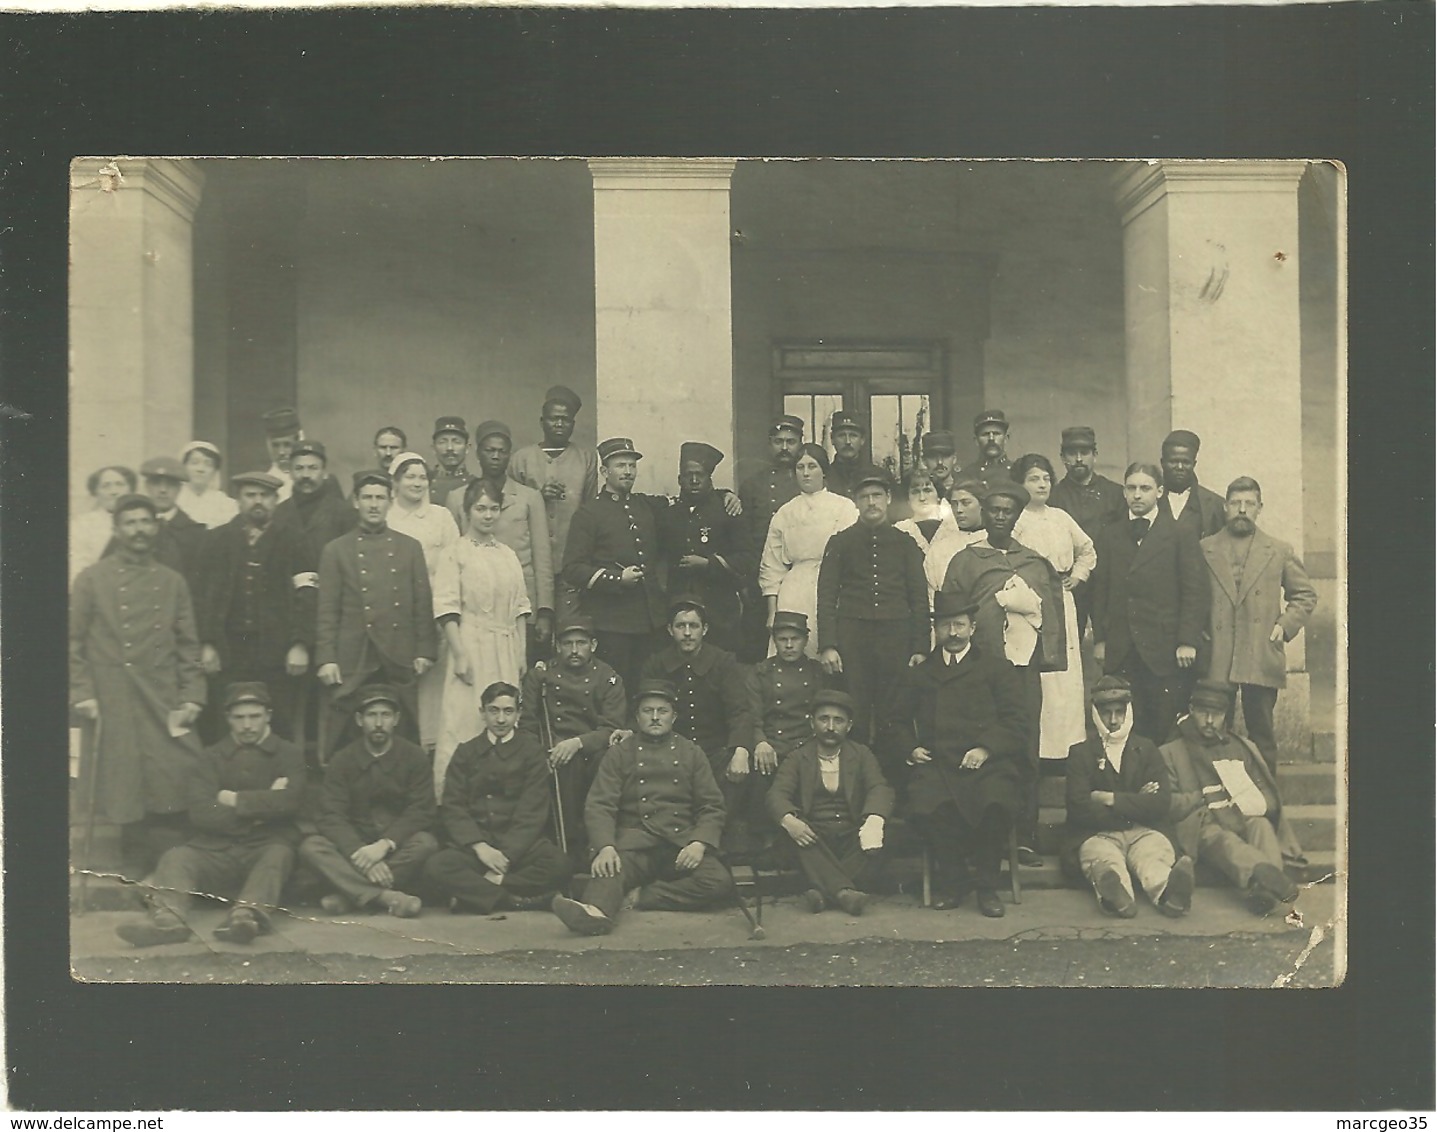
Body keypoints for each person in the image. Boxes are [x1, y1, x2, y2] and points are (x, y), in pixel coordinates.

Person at [70, 493, 206, 879]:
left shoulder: (172, 580)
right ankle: (133, 862)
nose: (139, 530)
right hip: (114, 694)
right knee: (125, 773)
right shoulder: (92, 579)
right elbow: (72, 642)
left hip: (162, 691)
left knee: (175, 766)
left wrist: (193, 694)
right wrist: (82, 693)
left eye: (145, 522)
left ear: (156, 527)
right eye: (129, 523)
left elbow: (188, 643)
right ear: (116, 529)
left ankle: (171, 861)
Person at [115, 682, 306, 947]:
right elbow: (201, 813)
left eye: (255, 717)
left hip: (264, 846)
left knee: (279, 854)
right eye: (239, 718)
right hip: (214, 850)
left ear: (268, 716)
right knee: (177, 857)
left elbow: (290, 803)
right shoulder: (210, 757)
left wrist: (232, 800)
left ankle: (244, 918)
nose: (247, 725)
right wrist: (262, 808)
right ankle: (168, 922)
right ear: (228, 719)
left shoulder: (290, 754)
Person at [940, 480, 1066, 867]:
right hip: (979, 670)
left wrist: (1047, 656)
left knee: (1024, 744)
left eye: (1007, 511)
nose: (1000, 516)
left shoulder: (1034, 561)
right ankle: (976, 832)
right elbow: (948, 613)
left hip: (1022, 670)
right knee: (978, 743)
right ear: (983, 513)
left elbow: (1053, 613)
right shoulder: (966, 560)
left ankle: (1022, 834)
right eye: (993, 509)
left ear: (1016, 516)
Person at [551, 680, 732, 936]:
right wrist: (605, 846)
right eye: (648, 711)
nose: (655, 717)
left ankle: (645, 896)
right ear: (637, 717)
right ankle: (594, 913)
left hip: (677, 844)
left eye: (663, 711)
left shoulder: (692, 752)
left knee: (717, 881)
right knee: (609, 868)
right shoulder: (620, 753)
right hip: (634, 844)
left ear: (674, 716)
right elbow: (600, 804)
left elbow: (712, 806)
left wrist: (698, 844)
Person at [888, 592, 1027, 918]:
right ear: (935, 630)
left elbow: (1017, 721)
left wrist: (986, 748)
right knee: (928, 804)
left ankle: (987, 887)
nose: (952, 633)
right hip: (937, 764)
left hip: (986, 763)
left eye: (959, 625)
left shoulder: (995, 668)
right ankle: (953, 883)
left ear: (973, 627)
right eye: (945, 625)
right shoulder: (920, 674)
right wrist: (910, 748)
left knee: (996, 801)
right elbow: (893, 721)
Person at [1200, 477, 1318, 774]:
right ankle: (1217, 794)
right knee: (1213, 731)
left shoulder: (1278, 550)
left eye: (1249, 504)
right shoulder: (1204, 548)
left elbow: (1304, 595)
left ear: (1259, 508)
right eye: (1236, 503)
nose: (1242, 510)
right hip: (1217, 653)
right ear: (1225, 507)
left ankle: (1266, 797)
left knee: (1261, 731)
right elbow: (1190, 595)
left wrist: (1284, 625)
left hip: (1260, 650)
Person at [315, 470, 438, 756]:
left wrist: (425, 651)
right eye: (367, 497)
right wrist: (326, 658)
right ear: (355, 502)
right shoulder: (336, 550)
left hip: (397, 652)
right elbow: (327, 609)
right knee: (343, 731)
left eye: (380, 498)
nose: (373, 504)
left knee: (404, 729)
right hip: (353, 655)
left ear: (390, 501)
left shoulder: (409, 547)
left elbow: (421, 602)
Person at [1159, 680, 1305, 915]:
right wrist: (1203, 797)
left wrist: (1253, 801)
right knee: (1221, 838)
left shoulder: (1239, 747)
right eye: (1203, 713)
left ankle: (1266, 890)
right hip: (1202, 823)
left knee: (1261, 825)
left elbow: (1267, 794)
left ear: (1225, 715)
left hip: (1240, 816)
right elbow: (1167, 804)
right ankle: (1263, 873)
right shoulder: (1170, 752)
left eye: (1216, 715)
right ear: (1192, 710)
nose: (1209, 721)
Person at [423, 682, 571, 914]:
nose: (500, 719)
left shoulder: (531, 751)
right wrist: (480, 847)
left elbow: (532, 811)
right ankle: (518, 901)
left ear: (518, 714)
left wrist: (506, 856)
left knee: (559, 865)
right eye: (493, 710)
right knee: (436, 866)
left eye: (508, 711)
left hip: (520, 849)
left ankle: (482, 892)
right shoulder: (466, 752)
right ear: (482, 713)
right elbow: (454, 807)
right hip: (478, 848)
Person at [816, 470, 929, 768]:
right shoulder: (840, 543)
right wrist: (828, 644)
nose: (871, 502)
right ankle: (857, 783)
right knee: (856, 708)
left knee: (895, 712)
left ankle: (894, 786)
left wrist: (920, 647)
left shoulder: (906, 544)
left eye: (877, 495)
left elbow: (919, 598)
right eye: (864, 497)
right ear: (855, 501)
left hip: (897, 637)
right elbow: (826, 596)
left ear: (889, 499)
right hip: (853, 637)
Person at [1090, 462, 1208, 743]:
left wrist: (1187, 640)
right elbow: (1100, 591)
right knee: (1126, 723)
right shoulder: (1110, 535)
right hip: (1123, 646)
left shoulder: (1180, 533)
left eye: (1145, 488)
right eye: (1131, 488)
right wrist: (1101, 639)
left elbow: (1195, 591)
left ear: (1160, 491)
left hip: (1164, 647)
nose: (1137, 495)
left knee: (1163, 722)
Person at [192, 471, 313, 742]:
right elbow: (202, 597)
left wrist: (300, 644)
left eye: (265, 496)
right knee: (224, 721)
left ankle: (280, 782)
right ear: (238, 499)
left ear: (275, 500)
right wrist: (207, 643)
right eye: (250, 495)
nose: (258, 501)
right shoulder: (216, 541)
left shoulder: (294, 540)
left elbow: (307, 594)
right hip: (228, 650)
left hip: (277, 651)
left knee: (278, 720)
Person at [299, 685, 438, 918]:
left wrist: (385, 845)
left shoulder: (414, 756)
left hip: (396, 847)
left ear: (396, 719)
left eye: (385, 715)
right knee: (311, 847)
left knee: (426, 843)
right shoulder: (342, 760)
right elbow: (331, 815)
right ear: (359, 720)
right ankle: (386, 898)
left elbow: (421, 810)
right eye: (372, 715)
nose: (379, 723)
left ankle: (351, 895)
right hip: (356, 850)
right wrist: (361, 854)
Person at [432, 477, 531, 798]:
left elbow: (520, 608)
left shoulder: (507, 554)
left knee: (502, 720)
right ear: (467, 511)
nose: (487, 516)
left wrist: (522, 653)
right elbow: (446, 607)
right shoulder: (455, 552)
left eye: (493, 509)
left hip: (505, 648)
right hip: (471, 646)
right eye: (480, 509)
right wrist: (460, 654)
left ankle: (501, 801)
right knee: (466, 720)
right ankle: (455, 802)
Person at [1063, 676, 1193, 919]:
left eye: (1119, 712)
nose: (1113, 720)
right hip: (1098, 834)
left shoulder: (1147, 749)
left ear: (1128, 712)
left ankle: (1171, 893)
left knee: (1153, 859)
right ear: (1095, 714)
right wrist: (1136, 801)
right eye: (1106, 713)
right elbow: (1078, 807)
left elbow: (1161, 803)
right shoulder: (1080, 753)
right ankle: (1116, 895)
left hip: (1145, 831)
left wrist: (1108, 798)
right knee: (1104, 860)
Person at [637, 597, 756, 848]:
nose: (688, 633)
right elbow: (647, 710)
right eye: (681, 626)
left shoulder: (723, 663)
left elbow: (740, 711)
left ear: (705, 629)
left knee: (736, 768)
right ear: (670, 630)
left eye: (694, 626)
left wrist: (741, 749)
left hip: (714, 751)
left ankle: (716, 839)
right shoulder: (656, 664)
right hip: (672, 749)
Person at [766, 689, 894, 916]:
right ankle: (844, 894)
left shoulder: (862, 754)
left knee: (882, 840)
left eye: (839, 720)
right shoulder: (798, 756)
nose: (831, 727)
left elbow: (879, 787)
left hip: (851, 832)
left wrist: (873, 820)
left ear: (849, 725)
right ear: (812, 723)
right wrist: (790, 821)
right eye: (824, 719)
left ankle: (822, 891)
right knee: (798, 840)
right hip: (815, 835)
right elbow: (777, 794)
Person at [519, 614, 627, 868]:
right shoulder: (541, 675)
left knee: (598, 764)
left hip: (592, 751)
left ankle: (594, 847)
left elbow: (612, 727)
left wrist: (577, 743)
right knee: (563, 766)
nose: (575, 650)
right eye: (568, 644)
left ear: (593, 645)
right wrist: (539, 756)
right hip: (552, 752)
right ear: (557, 646)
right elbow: (527, 724)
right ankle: (565, 853)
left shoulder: (608, 677)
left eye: (581, 643)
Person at [561, 437, 668, 695]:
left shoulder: (645, 506)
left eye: (632, 466)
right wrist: (616, 579)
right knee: (616, 691)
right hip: (611, 622)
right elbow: (572, 568)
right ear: (604, 471)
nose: (628, 471)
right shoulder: (589, 513)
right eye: (621, 465)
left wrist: (726, 495)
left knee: (646, 689)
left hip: (649, 620)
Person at [1011, 453, 1096, 762]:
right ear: (1020, 483)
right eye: (1034, 478)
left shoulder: (1060, 517)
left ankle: (1066, 749)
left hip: (1062, 602)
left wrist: (1077, 576)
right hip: (1028, 605)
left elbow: (1087, 549)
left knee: (1065, 674)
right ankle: (1039, 751)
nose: (1042, 483)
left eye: (1046, 478)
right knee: (1038, 676)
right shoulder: (1015, 521)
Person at [445, 421, 554, 652]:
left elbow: (542, 558)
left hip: (520, 603)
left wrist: (544, 610)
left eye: (502, 451)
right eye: (489, 450)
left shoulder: (529, 498)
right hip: (474, 604)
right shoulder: (457, 498)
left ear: (509, 455)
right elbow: (452, 560)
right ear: (477, 453)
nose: (496, 456)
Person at [385, 452, 461, 751]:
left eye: (422, 477)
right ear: (396, 481)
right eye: (409, 476)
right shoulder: (387, 516)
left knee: (434, 688)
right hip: (395, 615)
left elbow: (456, 561)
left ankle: (432, 749)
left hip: (435, 613)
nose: (417, 483)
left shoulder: (441, 517)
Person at [759, 443, 859, 659]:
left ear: (824, 471)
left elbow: (854, 555)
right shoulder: (785, 512)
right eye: (800, 467)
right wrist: (772, 612)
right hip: (795, 590)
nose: (805, 473)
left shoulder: (844, 507)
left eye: (812, 466)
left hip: (835, 587)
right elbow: (772, 565)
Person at [510, 385, 600, 622]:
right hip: (529, 562)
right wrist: (537, 496)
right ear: (542, 422)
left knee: (568, 627)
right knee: (531, 626)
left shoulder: (586, 459)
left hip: (570, 561)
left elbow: (591, 509)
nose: (559, 424)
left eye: (566, 419)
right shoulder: (522, 459)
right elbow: (510, 510)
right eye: (553, 419)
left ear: (573, 424)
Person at [659, 441, 755, 656]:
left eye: (700, 475)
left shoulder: (727, 509)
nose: (694, 480)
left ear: (709, 478)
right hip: (680, 605)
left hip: (719, 607)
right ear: (679, 479)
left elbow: (747, 558)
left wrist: (709, 563)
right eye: (688, 475)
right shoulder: (668, 513)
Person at [736, 413, 804, 660]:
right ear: (769, 444)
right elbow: (743, 535)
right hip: (760, 575)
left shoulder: (808, 481)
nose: (784, 447)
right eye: (778, 441)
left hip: (799, 573)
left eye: (791, 441)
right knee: (757, 641)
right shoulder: (753, 485)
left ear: (800, 444)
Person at [1049, 426, 1125, 636]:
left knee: (1111, 643)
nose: (1079, 459)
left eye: (1085, 453)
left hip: (1108, 583)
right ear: (1063, 457)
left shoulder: (1115, 493)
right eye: (1072, 454)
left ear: (1095, 455)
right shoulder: (1053, 497)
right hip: (1072, 585)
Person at [103, 456, 207, 585]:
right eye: (156, 483)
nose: (163, 490)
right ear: (146, 486)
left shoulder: (194, 533)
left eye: (170, 484)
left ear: (180, 489)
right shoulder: (128, 527)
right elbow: (106, 572)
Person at [271, 440, 357, 574]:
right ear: (291, 473)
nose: (305, 475)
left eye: (313, 468)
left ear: (324, 472)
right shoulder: (279, 513)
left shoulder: (344, 513)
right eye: (299, 468)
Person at [893, 467, 950, 609]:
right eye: (915, 492)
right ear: (907, 500)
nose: (922, 498)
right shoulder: (899, 531)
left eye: (928, 490)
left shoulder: (953, 530)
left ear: (938, 496)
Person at [71, 464, 137, 583]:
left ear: (130, 489)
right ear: (96, 493)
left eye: (120, 484)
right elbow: (77, 566)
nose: (114, 492)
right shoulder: (82, 525)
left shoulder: (143, 520)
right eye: (106, 486)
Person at [1158, 429, 1226, 540]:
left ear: (1194, 464)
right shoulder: (1150, 499)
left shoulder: (1215, 505)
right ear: (1162, 463)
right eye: (1173, 461)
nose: (1180, 467)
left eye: (1186, 462)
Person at [922, 479, 986, 597]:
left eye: (966, 503)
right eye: (954, 504)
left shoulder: (995, 542)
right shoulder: (940, 548)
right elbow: (931, 591)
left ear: (982, 504)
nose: (959, 510)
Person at [177, 441, 240, 530]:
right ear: (184, 466)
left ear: (215, 471)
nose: (200, 469)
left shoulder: (226, 504)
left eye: (208, 464)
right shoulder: (174, 499)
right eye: (194, 462)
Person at [954, 410, 1013, 497]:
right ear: (976, 441)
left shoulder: (1017, 472)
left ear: (1006, 438)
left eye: (996, 434)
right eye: (985, 434)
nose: (991, 438)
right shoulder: (967, 474)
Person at [825, 410, 880, 499]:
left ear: (862, 440)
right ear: (832, 439)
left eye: (853, 435)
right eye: (841, 435)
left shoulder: (878, 475)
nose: (847, 442)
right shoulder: (824, 477)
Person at [429, 415, 474, 507]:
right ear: (433, 448)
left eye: (456, 442)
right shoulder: (423, 483)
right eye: (442, 442)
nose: (449, 448)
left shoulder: (475, 485)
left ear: (467, 448)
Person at [261, 406, 303, 503]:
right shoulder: (265, 484)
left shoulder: (314, 479)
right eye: (275, 445)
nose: (281, 452)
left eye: (287, 445)